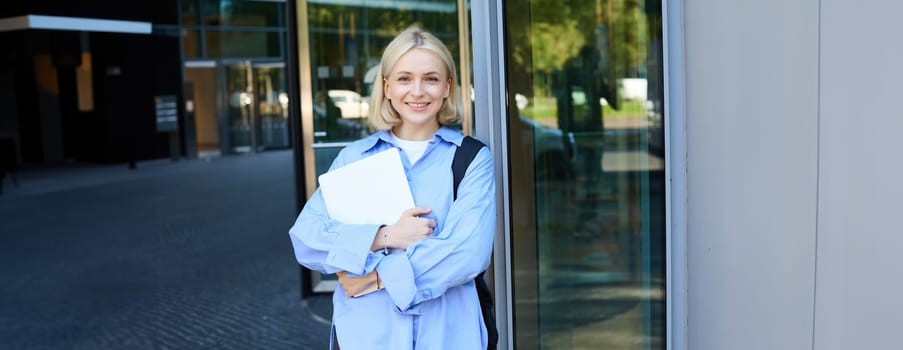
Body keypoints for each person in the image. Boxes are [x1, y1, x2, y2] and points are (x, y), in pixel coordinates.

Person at [288, 26, 496, 349]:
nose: (417, 91)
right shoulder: (353, 159)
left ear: (447, 87)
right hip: (367, 335)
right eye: (404, 79)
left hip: (447, 336)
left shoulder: (471, 159)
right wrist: (383, 236)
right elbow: (306, 239)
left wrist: (375, 277)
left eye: (430, 78)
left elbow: (467, 253)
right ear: (386, 87)